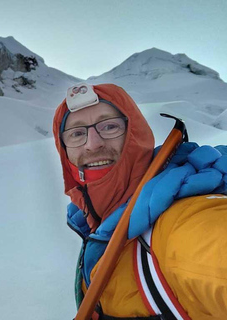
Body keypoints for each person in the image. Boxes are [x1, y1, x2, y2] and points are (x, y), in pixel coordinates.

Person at [52, 83, 227, 319]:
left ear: (136, 135)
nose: (93, 144)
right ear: (65, 153)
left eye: (110, 126)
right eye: (76, 133)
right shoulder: (99, 224)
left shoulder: (183, 224)